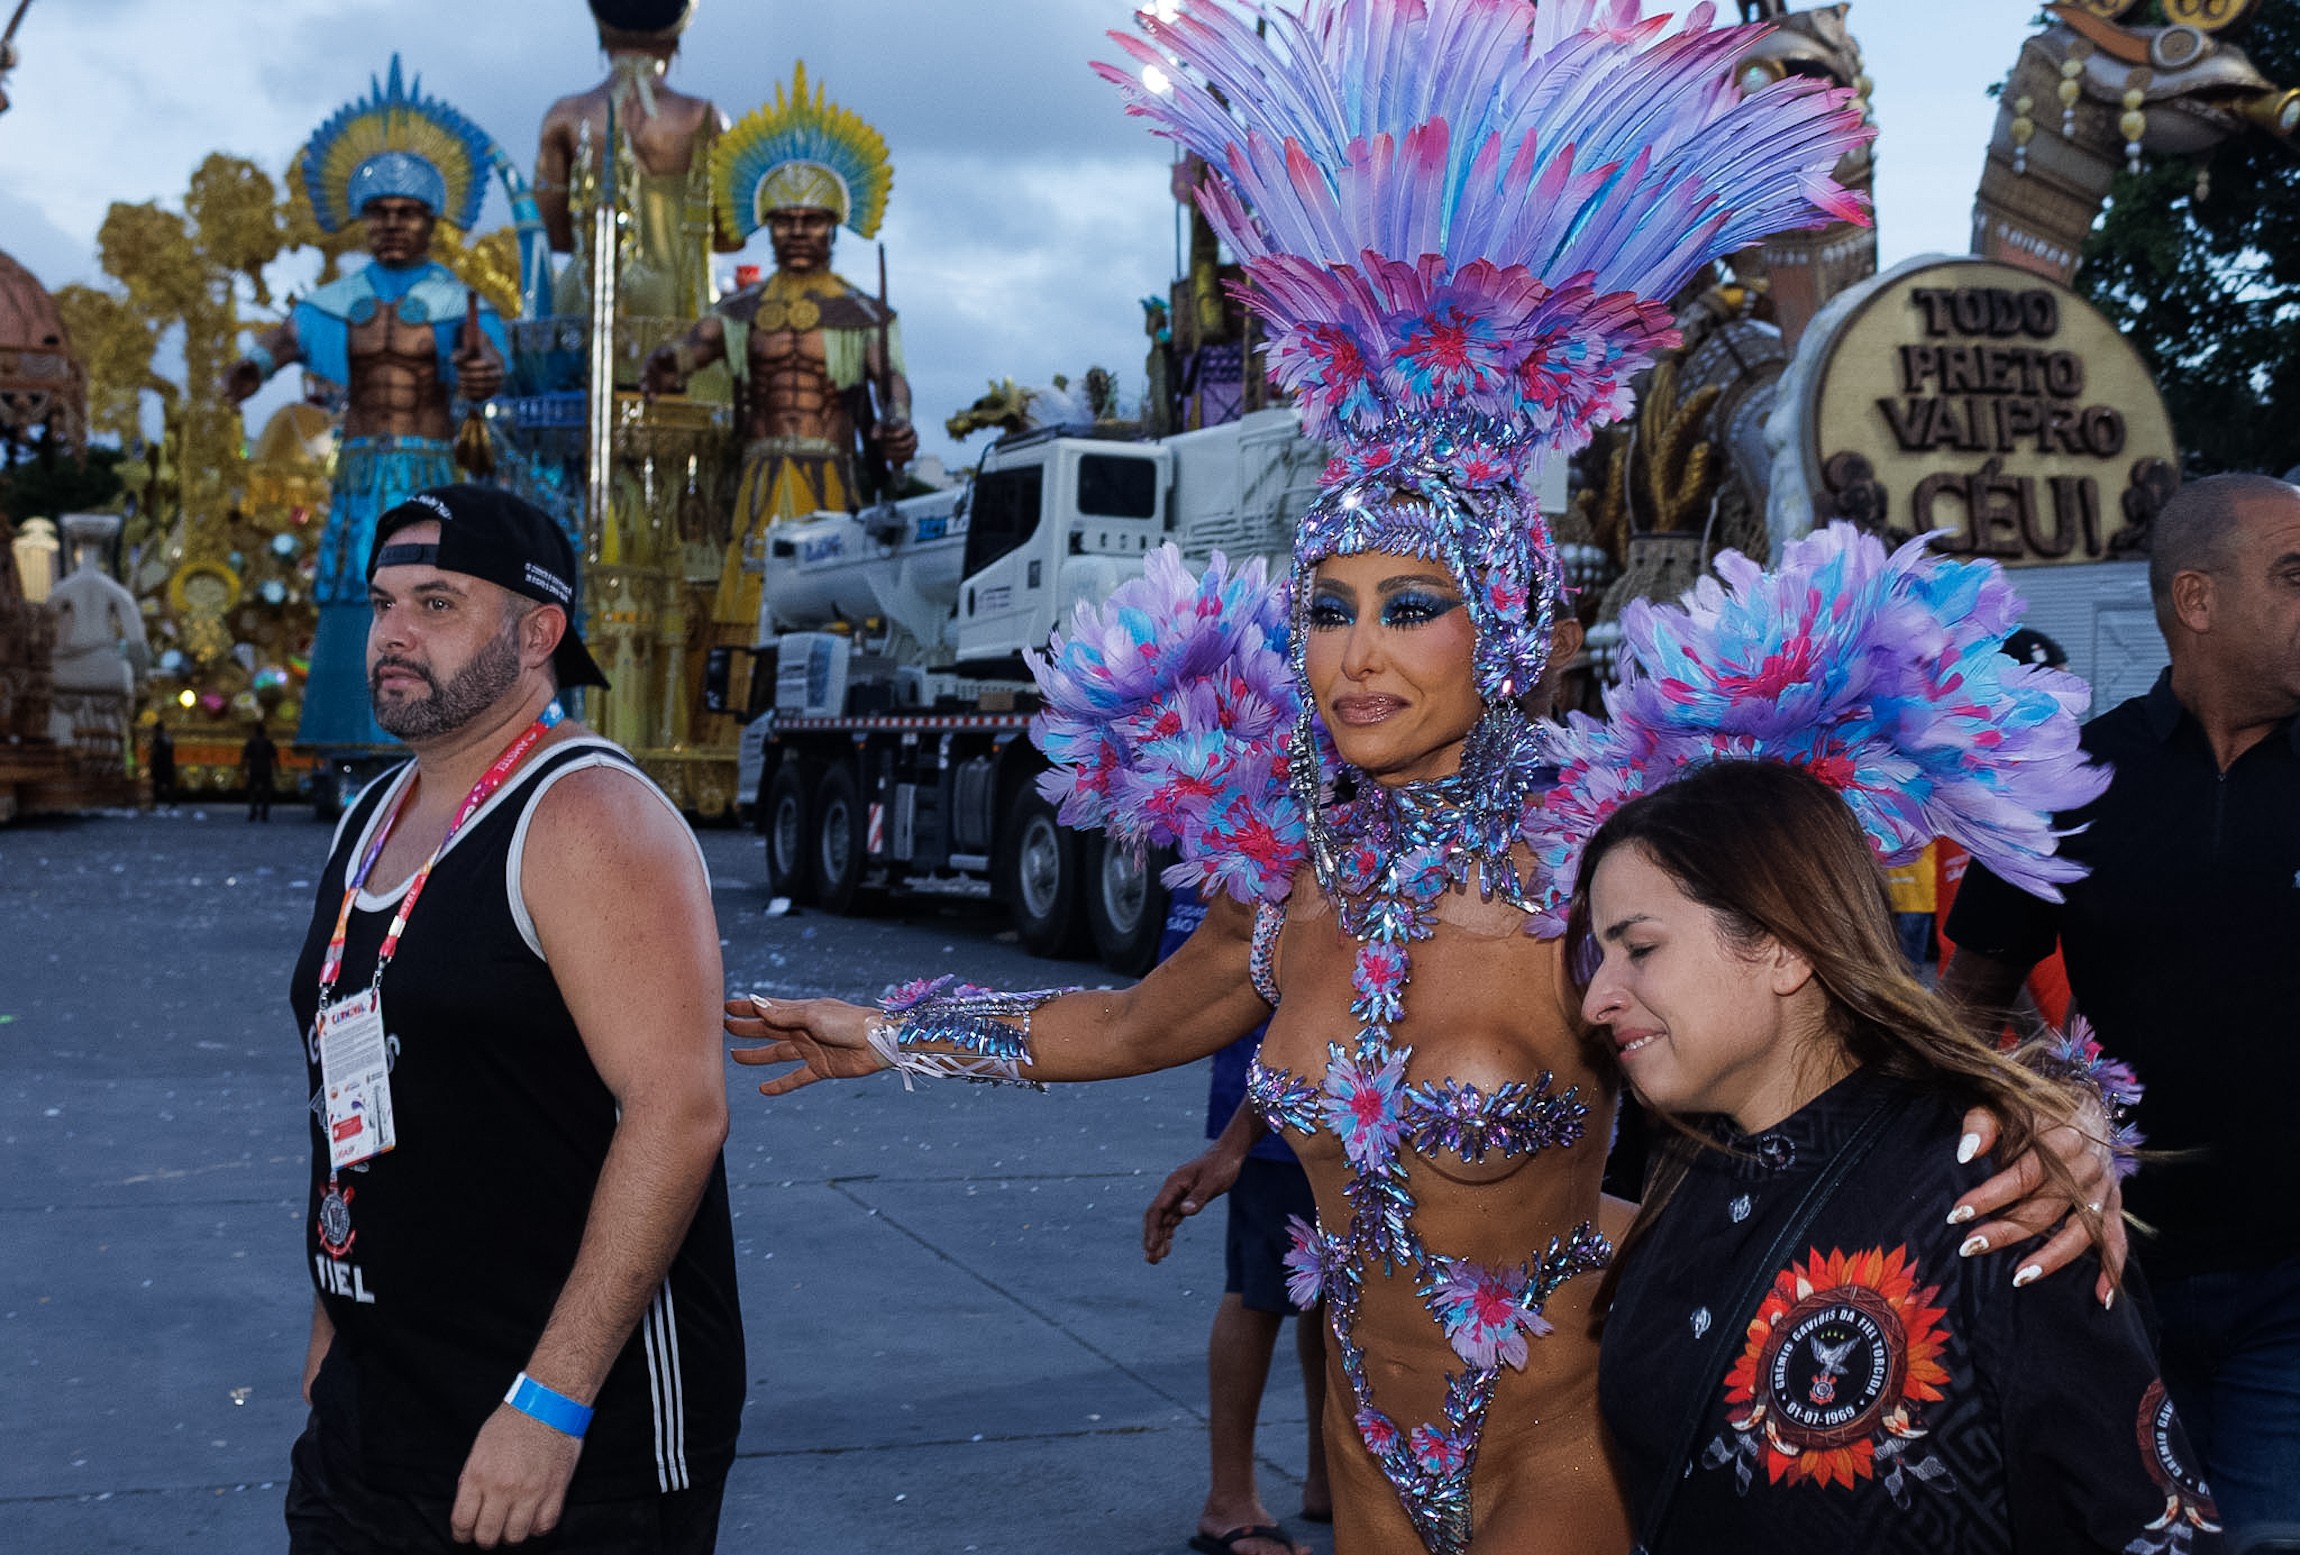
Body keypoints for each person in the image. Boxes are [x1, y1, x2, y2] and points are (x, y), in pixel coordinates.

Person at [723, 9, 2113, 1553]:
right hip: (1366, 1457)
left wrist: (2051, 1125)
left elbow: (1846, 1061)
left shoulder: (1615, 870)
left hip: (1571, 1453)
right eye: (1328, 606)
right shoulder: (1288, 869)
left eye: (1409, 605)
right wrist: (886, 1032)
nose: (1354, 656)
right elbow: (1119, 1024)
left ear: (1505, 627)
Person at [1579, 760, 2219, 1554]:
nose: (1595, 997)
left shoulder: (1992, 1184)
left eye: (1637, 947)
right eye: (1596, 957)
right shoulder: (1685, 1171)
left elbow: (2154, 1531)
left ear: (1782, 947)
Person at [284, 484, 742, 1553]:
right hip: (374, 1412)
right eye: (382, 602)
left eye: (435, 604)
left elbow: (677, 1111)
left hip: (568, 1439)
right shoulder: (371, 815)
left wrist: (552, 1401)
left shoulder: (586, 814)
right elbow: (348, 1102)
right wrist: (329, 1324)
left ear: (538, 633)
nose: (392, 633)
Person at [1943, 472, 2300, 1541]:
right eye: (2293, 576)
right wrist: (2011, 1127)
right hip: (2101, 1280)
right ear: (2196, 599)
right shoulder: (2068, 781)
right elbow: (1963, 1004)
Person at [225, 58, 508, 751]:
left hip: (429, 465)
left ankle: (429, 735)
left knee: (430, 588)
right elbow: (285, 336)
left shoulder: (455, 300)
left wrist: (481, 376)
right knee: (357, 588)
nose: (391, 225)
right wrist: (252, 366)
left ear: (433, 220)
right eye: (378, 213)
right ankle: (346, 736)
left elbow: (494, 366)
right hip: (356, 469)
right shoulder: (336, 301)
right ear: (360, 220)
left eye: (407, 213)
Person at [642, 61, 917, 636]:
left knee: (831, 606)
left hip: (832, 477)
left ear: (834, 227)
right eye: (784, 221)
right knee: (749, 605)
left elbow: (890, 378)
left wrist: (899, 420)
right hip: (757, 475)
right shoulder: (738, 311)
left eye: (811, 221)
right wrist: (663, 366)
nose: (796, 232)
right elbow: (684, 355)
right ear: (766, 226)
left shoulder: (865, 314)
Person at [1141, 884, 1332, 1555]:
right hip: (1278, 1099)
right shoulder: (1264, 802)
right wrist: (1233, 1143)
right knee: (1260, 1289)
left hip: (1354, 1096)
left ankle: (1329, 1474)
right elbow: (1184, 977)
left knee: (1333, 1291)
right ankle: (1228, 1498)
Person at [533, 0, 730, 325]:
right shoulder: (705, 119)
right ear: (675, 41)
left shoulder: (565, 117)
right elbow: (729, 236)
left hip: (586, 300)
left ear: (602, 36)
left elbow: (553, 234)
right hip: (680, 304)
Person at [243, 725, 279, 822]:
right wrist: (278, 769)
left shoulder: (251, 743)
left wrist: (244, 769)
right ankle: (264, 814)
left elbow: (246, 758)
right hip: (266, 770)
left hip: (254, 769)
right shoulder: (268, 743)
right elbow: (274, 757)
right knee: (266, 793)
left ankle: (253, 813)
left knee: (253, 793)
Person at [148, 723, 176, 806]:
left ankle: (155, 802)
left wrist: (152, 763)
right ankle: (171, 802)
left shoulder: (158, 739)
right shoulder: (168, 738)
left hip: (159, 765)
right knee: (169, 784)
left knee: (156, 785)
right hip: (168, 765)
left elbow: (155, 753)